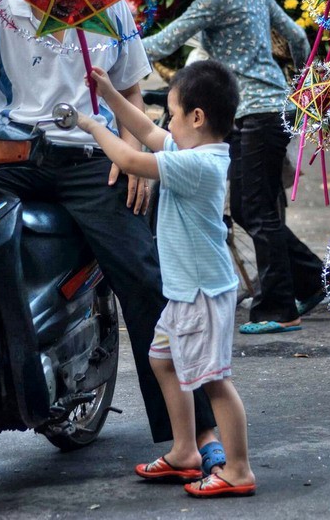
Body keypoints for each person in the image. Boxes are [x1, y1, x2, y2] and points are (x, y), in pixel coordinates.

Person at [0, 0, 222, 458]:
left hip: (91, 161)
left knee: (147, 278)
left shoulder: (112, 4)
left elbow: (127, 89)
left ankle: (194, 434)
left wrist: (135, 158)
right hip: (17, 156)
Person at [140, 0, 330, 334]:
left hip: (252, 114)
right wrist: (295, 79)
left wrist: (116, 48)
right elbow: (297, 35)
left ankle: (278, 308)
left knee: (255, 212)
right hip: (274, 108)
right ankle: (314, 279)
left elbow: (165, 41)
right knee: (259, 210)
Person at [77, 60, 256, 498]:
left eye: (172, 113)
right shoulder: (192, 150)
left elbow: (129, 155)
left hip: (202, 294)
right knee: (162, 359)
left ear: (197, 117)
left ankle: (238, 469)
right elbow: (148, 133)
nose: (166, 122)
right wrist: (109, 95)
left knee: (214, 381)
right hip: (183, 292)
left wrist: (88, 123)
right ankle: (184, 451)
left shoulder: (199, 165)